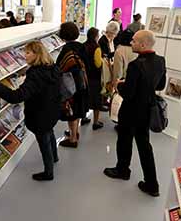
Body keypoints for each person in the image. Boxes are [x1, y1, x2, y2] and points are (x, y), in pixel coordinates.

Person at [0, 41, 60, 181]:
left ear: (36, 54)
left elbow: (16, 96)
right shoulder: (52, 68)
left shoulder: (36, 74)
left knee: (43, 140)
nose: (24, 56)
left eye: (28, 53)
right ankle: (54, 157)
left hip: (39, 114)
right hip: (52, 111)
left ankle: (48, 172)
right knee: (49, 132)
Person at [103, 30, 166, 197]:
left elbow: (128, 93)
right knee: (145, 146)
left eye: (134, 41)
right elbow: (160, 85)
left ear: (143, 44)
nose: (131, 43)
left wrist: (119, 84)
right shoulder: (160, 61)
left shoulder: (136, 65)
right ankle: (152, 184)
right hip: (147, 110)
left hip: (131, 110)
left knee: (124, 140)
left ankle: (122, 170)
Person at [56, 22, 89, 148]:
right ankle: (76, 132)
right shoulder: (81, 46)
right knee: (78, 110)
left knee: (71, 112)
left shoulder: (66, 49)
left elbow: (60, 68)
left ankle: (72, 139)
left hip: (71, 86)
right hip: (83, 83)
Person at [84, 27, 105, 130]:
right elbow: (98, 64)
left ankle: (83, 118)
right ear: (96, 36)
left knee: (84, 97)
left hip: (84, 76)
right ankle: (95, 122)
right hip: (94, 77)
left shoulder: (83, 45)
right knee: (96, 100)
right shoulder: (96, 47)